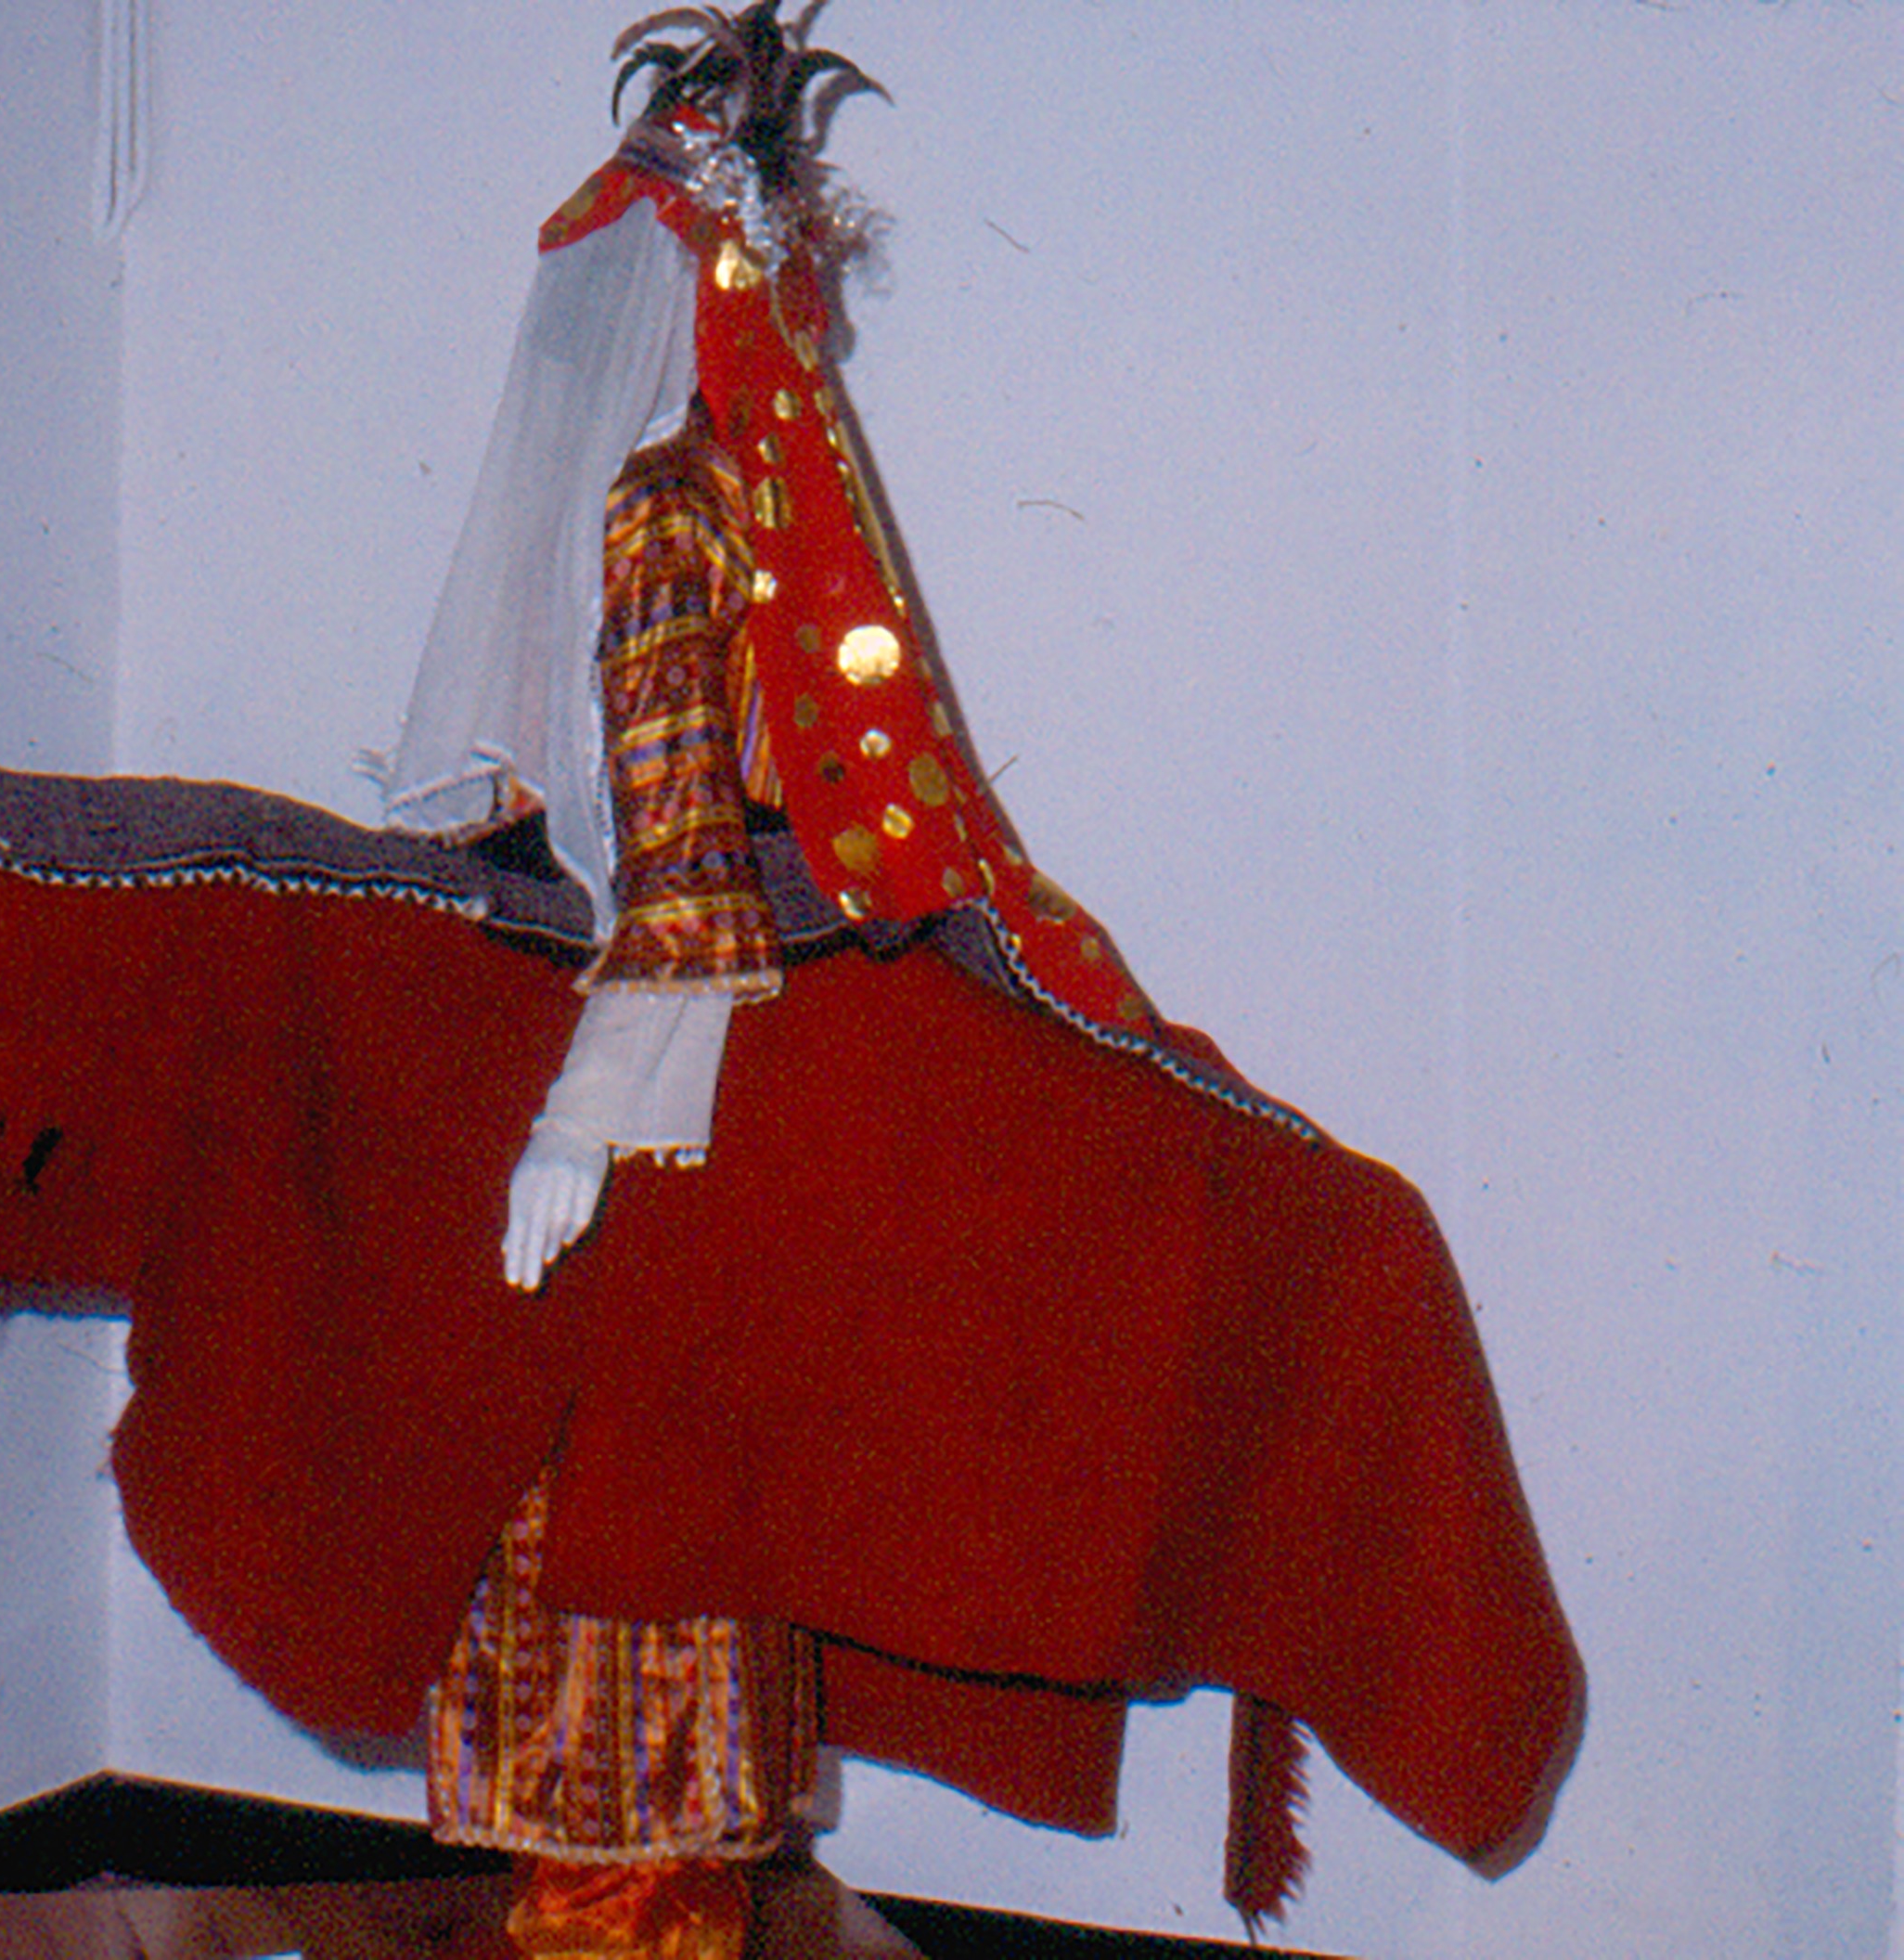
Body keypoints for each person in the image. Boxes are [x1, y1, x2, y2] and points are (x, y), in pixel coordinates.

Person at [378, 8, 1324, 1954]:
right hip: (721, 1076)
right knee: (685, 1513)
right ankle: (640, 1892)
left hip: (658, 1088)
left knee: (622, 1547)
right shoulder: (742, 496)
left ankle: (623, 1908)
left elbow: (683, 865)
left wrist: (573, 1119)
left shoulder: (666, 510)